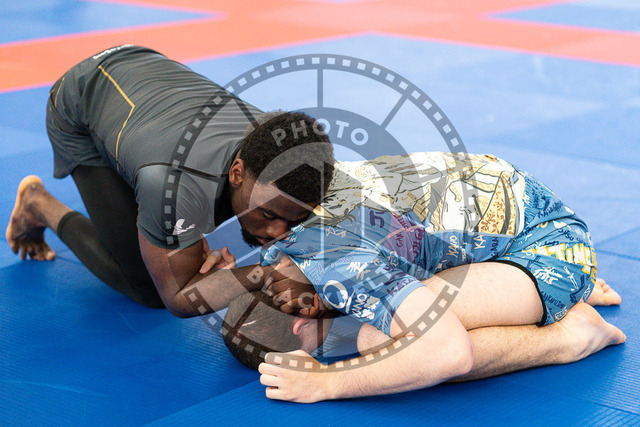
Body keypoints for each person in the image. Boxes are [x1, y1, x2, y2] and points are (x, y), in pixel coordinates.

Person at [223, 151, 626, 403]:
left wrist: (327, 381)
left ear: (300, 323)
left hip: (549, 248)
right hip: (516, 206)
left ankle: (569, 334)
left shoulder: (339, 268)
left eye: (317, 347)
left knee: (382, 343)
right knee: (403, 310)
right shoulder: (285, 223)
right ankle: (543, 292)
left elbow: (450, 354)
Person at [5, 44, 335, 316]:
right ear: (237, 173)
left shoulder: (298, 160)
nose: (278, 232)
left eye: (294, 219)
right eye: (268, 214)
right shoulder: (173, 183)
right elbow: (178, 296)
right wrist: (265, 274)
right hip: (83, 97)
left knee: (177, 224)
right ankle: (39, 203)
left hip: (150, 74)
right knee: (148, 289)